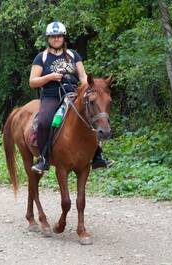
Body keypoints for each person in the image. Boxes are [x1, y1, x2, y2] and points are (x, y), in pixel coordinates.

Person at [29, 21, 114, 174]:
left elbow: (83, 76)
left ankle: (97, 156)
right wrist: (49, 77)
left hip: (74, 93)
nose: (56, 39)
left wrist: (91, 88)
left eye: (59, 36)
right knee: (44, 121)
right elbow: (32, 82)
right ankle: (43, 158)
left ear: (63, 37)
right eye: (53, 37)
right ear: (48, 39)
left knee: (92, 115)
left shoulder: (73, 55)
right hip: (52, 96)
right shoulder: (41, 58)